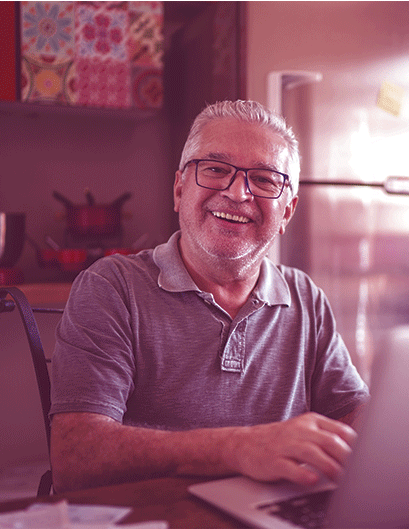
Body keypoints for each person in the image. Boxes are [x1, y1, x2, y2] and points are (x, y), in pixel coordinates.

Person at [49, 100, 370, 493]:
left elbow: (354, 417)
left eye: (266, 179)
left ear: (287, 212)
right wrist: (236, 448)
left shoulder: (306, 298)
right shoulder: (111, 288)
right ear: (180, 189)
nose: (238, 193)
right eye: (216, 170)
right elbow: (74, 457)